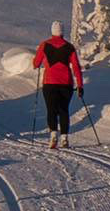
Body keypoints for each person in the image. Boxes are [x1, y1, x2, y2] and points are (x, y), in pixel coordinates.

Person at [33, 21, 83, 149]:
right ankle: (64, 138)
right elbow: (76, 67)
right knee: (64, 110)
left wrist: (38, 62)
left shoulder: (44, 45)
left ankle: (53, 135)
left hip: (50, 83)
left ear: (52, 31)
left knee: (51, 110)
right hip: (66, 83)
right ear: (62, 32)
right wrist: (80, 85)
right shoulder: (69, 47)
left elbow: (36, 63)